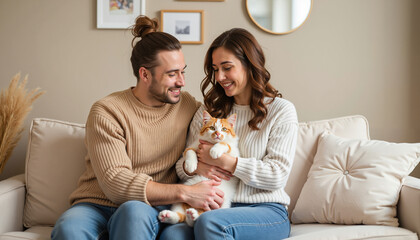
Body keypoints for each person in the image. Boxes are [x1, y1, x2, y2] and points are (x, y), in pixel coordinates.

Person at [51, 16, 225, 240]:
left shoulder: (188, 106)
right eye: (172, 74)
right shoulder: (107, 111)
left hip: (147, 207)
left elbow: (223, 123)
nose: (181, 81)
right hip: (96, 206)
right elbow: (115, 181)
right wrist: (186, 192)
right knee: (68, 229)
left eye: (183, 71)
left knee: (133, 212)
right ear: (144, 74)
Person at [169, 28, 299, 239]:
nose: (219, 77)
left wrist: (225, 162)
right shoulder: (208, 112)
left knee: (211, 224)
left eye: (227, 68)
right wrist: (198, 166)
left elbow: (277, 175)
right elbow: (181, 169)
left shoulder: (280, 110)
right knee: (171, 234)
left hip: (265, 210)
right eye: (215, 69)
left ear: (249, 65)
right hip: (212, 204)